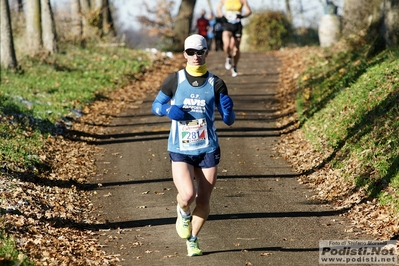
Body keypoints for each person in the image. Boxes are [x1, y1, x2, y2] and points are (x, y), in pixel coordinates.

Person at [151, 34, 235, 257]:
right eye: (191, 52)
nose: (195, 56)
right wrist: (167, 110)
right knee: (187, 195)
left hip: (207, 149)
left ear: (206, 52)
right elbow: (156, 105)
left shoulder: (216, 83)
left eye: (200, 52)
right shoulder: (174, 80)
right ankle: (183, 212)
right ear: (184, 54)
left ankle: (193, 240)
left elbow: (228, 120)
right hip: (181, 148)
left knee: (204, 199)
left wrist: (228, 110)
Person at [217, 0, 252, 77]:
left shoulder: (242, 1)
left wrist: (243, 16)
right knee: (226, 45)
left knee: (236, 48)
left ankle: (234, 66)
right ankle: (228, 57)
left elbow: (249, 11)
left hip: (237, 26)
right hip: (227, 24)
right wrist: (221, 16)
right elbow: (219, 8)